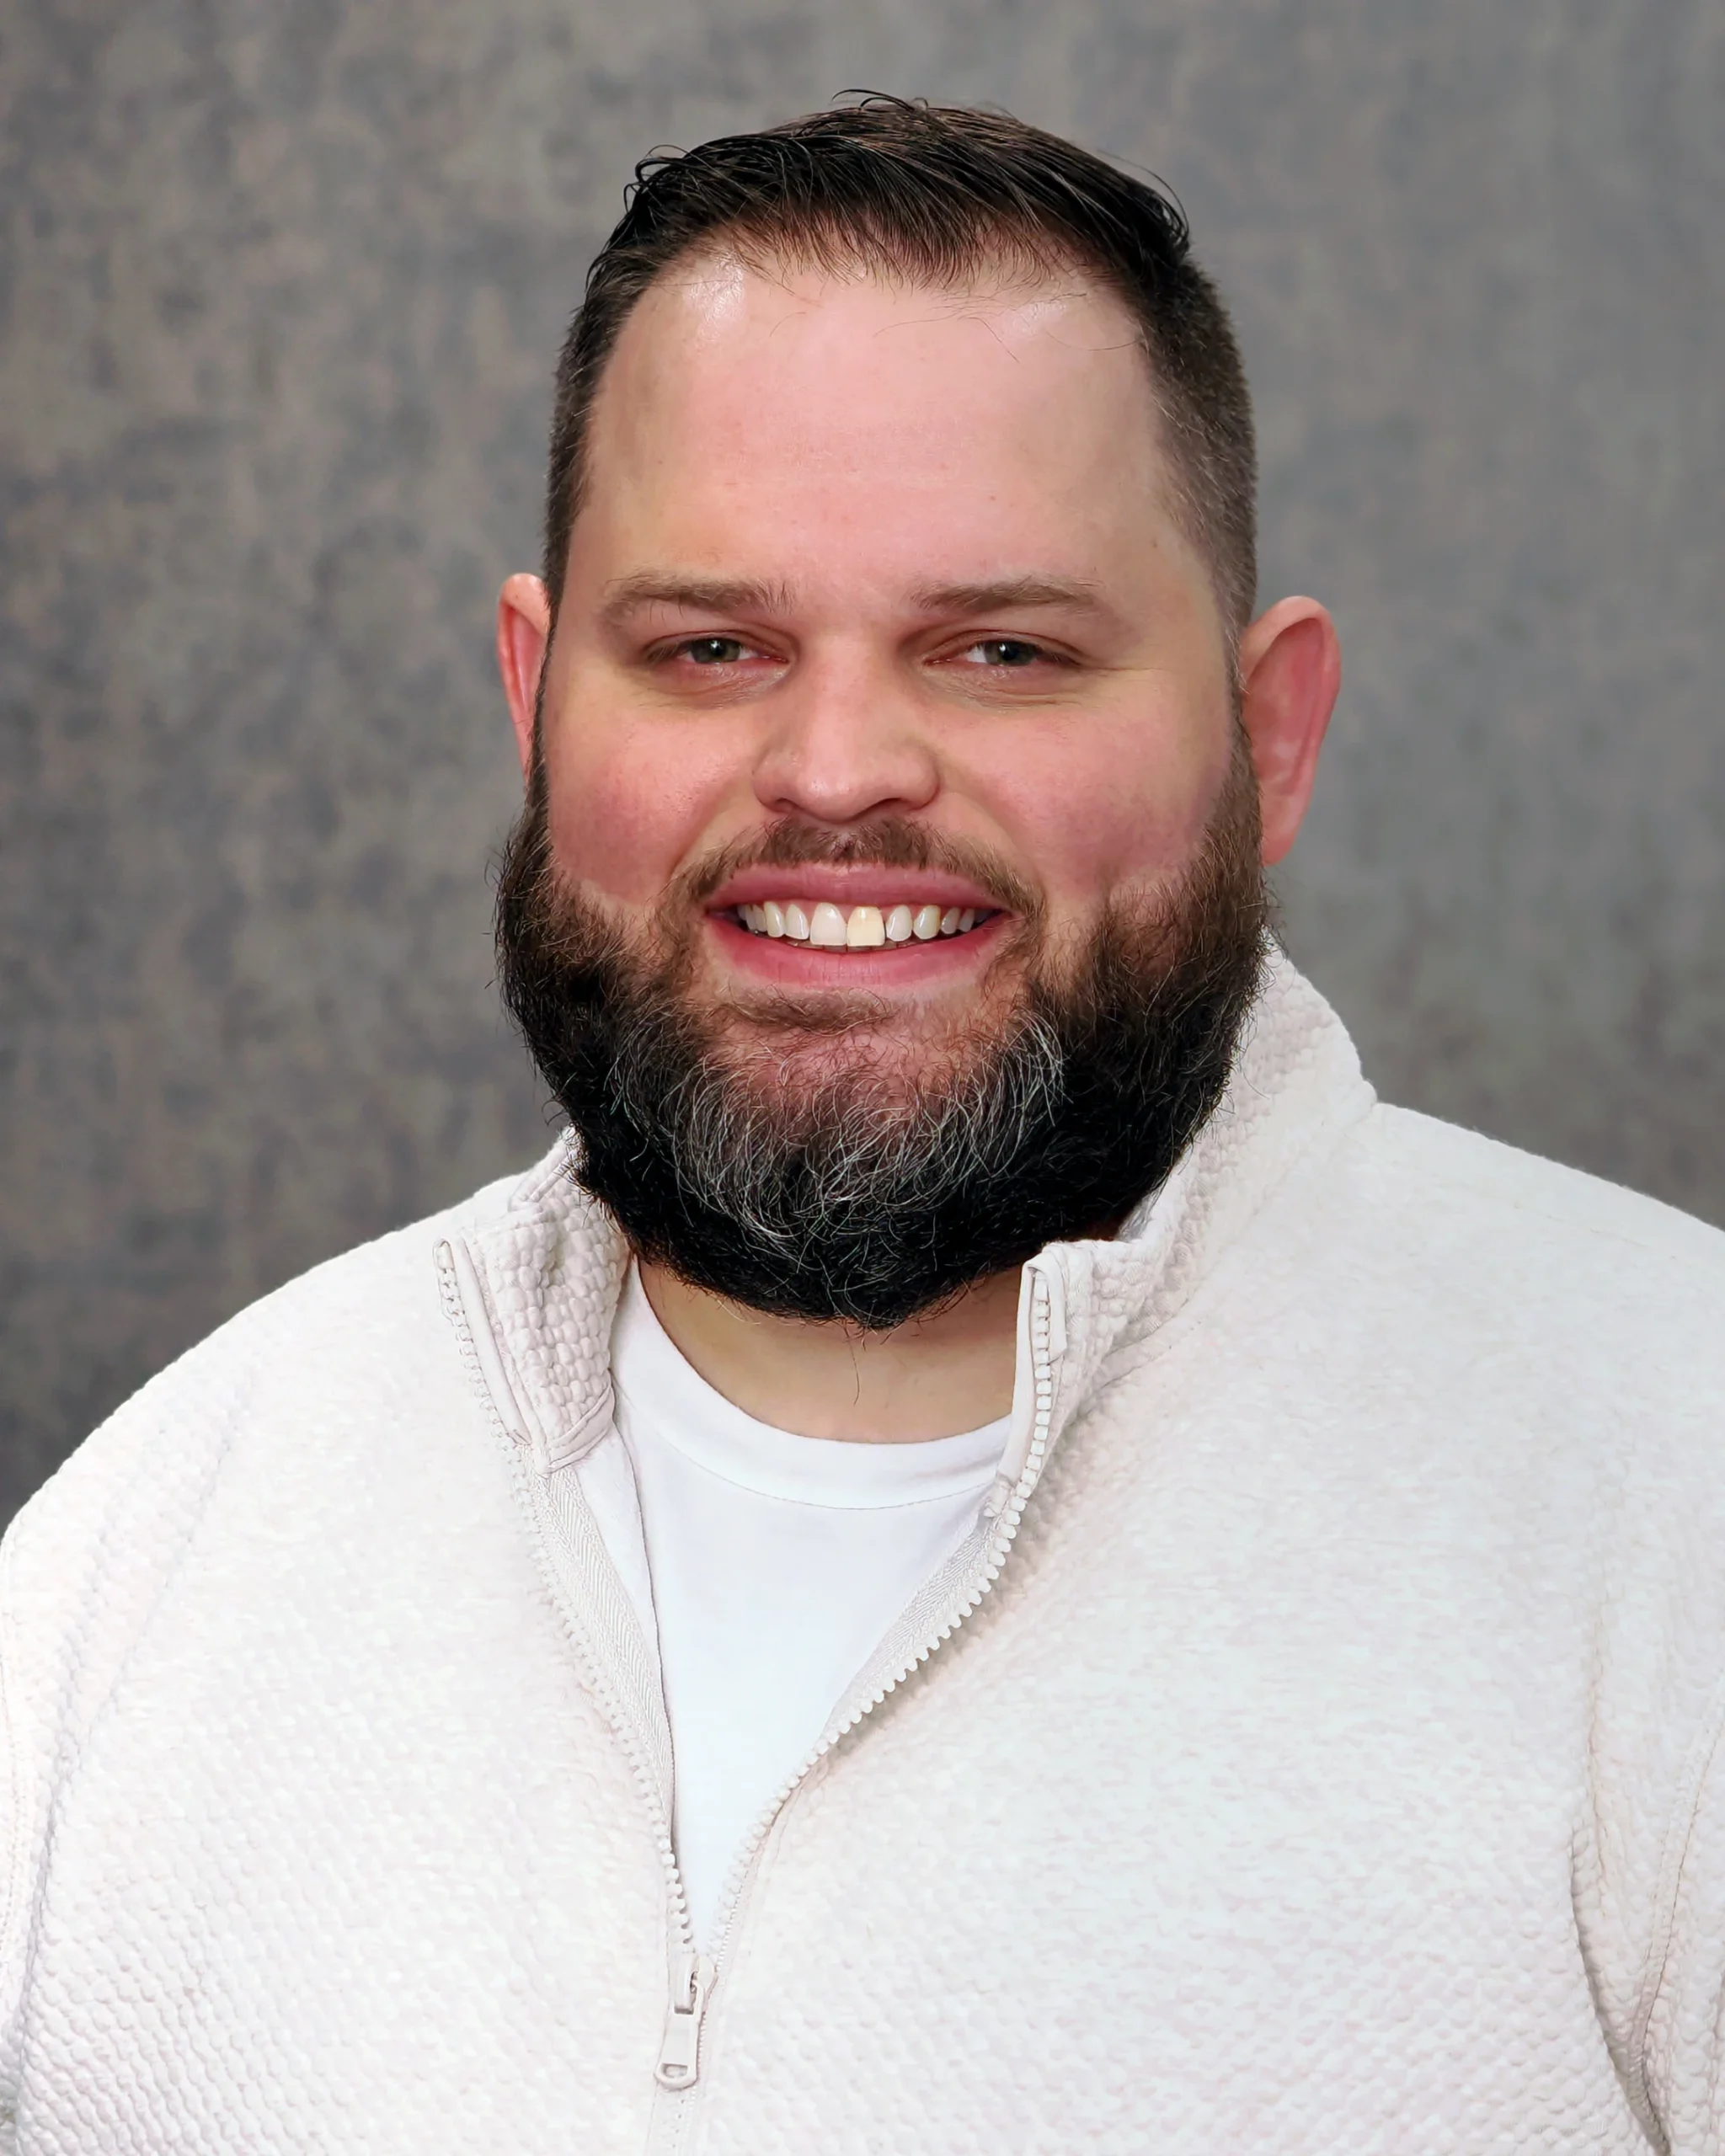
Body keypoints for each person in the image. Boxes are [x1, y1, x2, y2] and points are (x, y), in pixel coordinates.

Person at [2, 96, 1722, 2154]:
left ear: (1266, 740)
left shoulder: (1673, 1489)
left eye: (1000, 649)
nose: (834, 769)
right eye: (711, 647)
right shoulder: (145, 1556)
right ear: (536, 700)